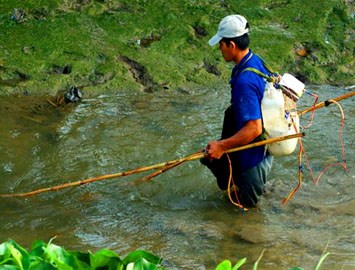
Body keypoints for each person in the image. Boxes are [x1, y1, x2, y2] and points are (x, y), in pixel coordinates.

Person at [201, 14, 273, 208]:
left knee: (247, 214)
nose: (219, 48)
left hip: (252, 159)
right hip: (259, 152)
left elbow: (254, 129)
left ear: (231, 45)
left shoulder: (245, 82)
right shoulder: (254, 62)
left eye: (221, 44)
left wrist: (222, 146)